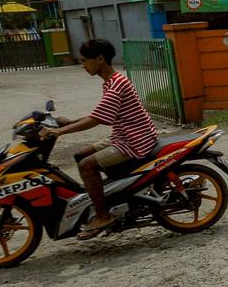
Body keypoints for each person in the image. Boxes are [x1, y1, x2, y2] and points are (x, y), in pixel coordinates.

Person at [40, 39, 157, 239]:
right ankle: (102, 197)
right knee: (80, 155)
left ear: (100, 59)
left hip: (133, 140)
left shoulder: (116, 85)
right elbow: (102, 113)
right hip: (122, 135)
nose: (83, 65)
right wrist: (67, 122)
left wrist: (60, 131)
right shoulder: (111, 81)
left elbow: (97, 119)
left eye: (85, 60)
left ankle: (103, 215)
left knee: (87, 165)